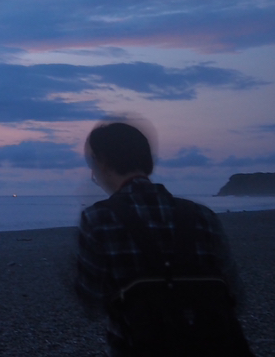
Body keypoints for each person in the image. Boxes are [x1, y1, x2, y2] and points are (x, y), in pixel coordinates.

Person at [75, 120, 253, 357]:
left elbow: (91, 303)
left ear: (103, 162)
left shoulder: (98, 218)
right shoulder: (202, 216)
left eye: (93, 166)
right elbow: (235, 295)